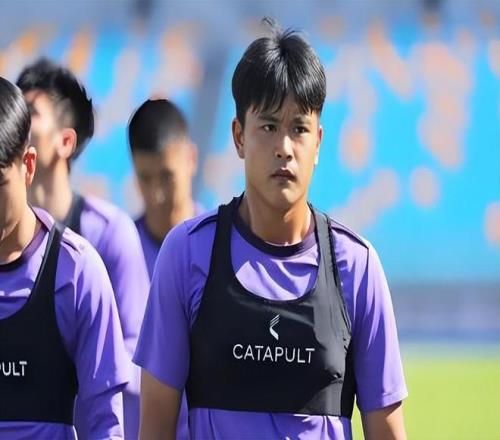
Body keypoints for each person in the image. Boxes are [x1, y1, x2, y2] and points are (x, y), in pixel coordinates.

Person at [134, 22, 408, 440]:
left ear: (318, 142)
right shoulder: (187, 254)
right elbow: (155, 428)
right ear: (239, 137)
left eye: (299, 128)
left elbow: (387, 431)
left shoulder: (355, 266)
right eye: (268, 126)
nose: (284, 147)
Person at [16, 59, 149, 440]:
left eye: (30, 113)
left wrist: (70, 368)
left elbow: (141, 357)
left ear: (66, 141)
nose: (14, 124)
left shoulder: (108, 235)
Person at [128, 98, 200, 279]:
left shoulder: (222, 247)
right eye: (145, 178)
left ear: (191, 159)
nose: (156, 195)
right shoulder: (121, 254)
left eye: (167, 177)